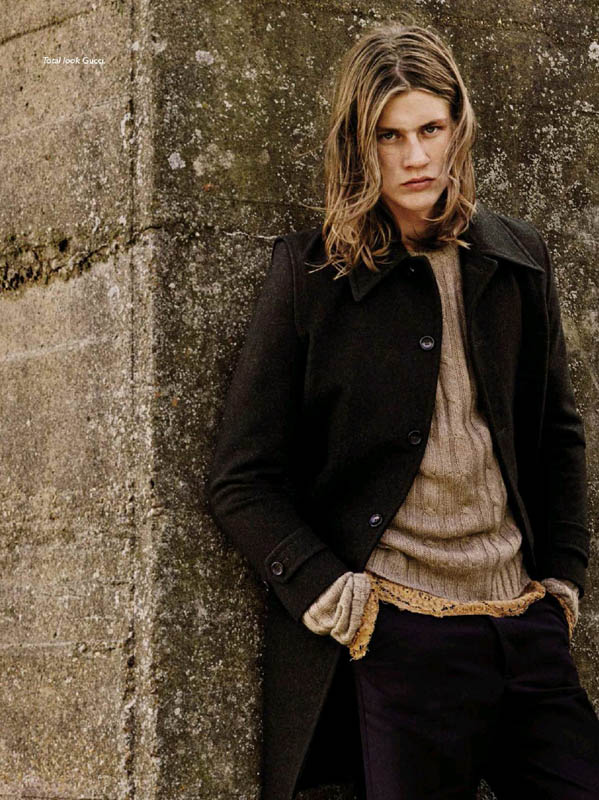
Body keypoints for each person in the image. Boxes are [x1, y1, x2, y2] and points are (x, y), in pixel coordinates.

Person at [207, 21, 599, 800]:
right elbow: (240, 479)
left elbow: (558, 435)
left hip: (524, 626)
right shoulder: (312, 277)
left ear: (458, 129)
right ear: (359, 146)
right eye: (389, 136)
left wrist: (563, 579)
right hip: (398, 639)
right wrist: (335, 600)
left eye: (430, 129)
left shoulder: (518, 258)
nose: (415, 157)